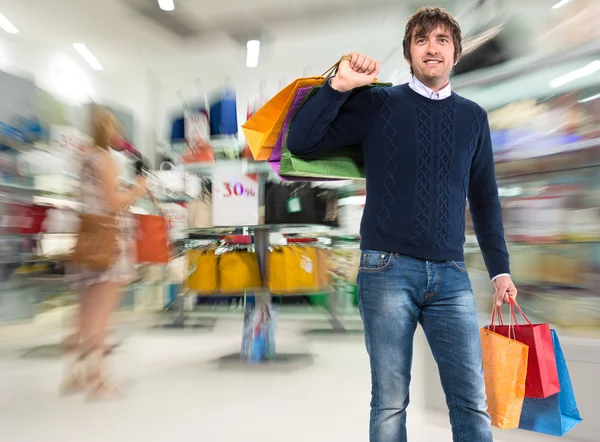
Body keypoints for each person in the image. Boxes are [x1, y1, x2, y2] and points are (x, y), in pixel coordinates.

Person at [287, 6, 517, 442]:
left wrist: (499, 268)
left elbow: (485, 199)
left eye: (442, 40)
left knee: (471, 399)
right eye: (422, 40)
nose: (433, 48)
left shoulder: (473, 118)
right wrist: (338, 86)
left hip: (451, 276)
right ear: (409, 53)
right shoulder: (378, 103)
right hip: (386, 269)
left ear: (456, 53)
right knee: (390, 402)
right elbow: (302, 142)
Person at [60, 109, 146, 400]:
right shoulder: (106, 159)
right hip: (109, 243)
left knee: (83, 312)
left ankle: (74, 374)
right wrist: (136, 190)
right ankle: (98, 380)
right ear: (109, 130)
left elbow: (87, 198)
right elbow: (112, 202)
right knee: (103, 315)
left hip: (86, 238)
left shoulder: (83, 159)